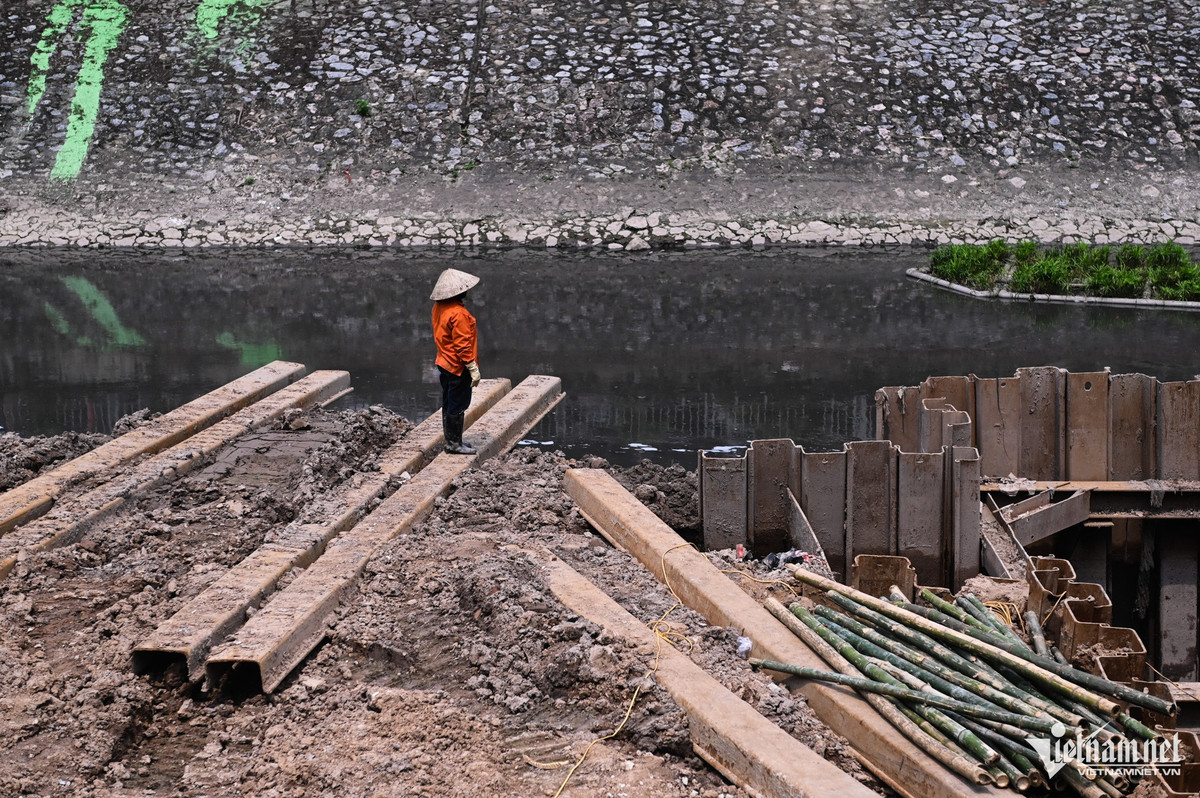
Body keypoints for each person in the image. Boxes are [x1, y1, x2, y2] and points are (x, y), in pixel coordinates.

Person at [430, 268, 482, 454]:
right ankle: (454, 444)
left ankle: (453, 440)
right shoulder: (459, 314)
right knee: (458, 404)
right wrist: (472, 367)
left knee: (449, 401)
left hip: (443, 362)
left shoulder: (439, 307)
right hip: (457, 366)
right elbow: (462, 345)